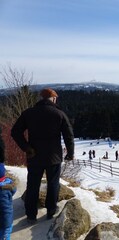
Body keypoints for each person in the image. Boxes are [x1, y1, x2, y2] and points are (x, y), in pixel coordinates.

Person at [11, 88, 74, 223]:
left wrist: (26, 147)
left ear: (41, 98)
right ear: (54, 98)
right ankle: (51, 211)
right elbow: (69, 135)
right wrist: (70, 153)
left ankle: (31, 215)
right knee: (53, 184)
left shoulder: (29, 113)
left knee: (33, 185)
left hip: (34, 155)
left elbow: (15, 132)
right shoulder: (59, 114)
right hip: (54, 156)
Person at [0, 163, 17, 239]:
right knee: (5, 235)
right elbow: (14, 189)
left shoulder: (3, 190)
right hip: (7, 220)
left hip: (4, 220)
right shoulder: (8, 186)